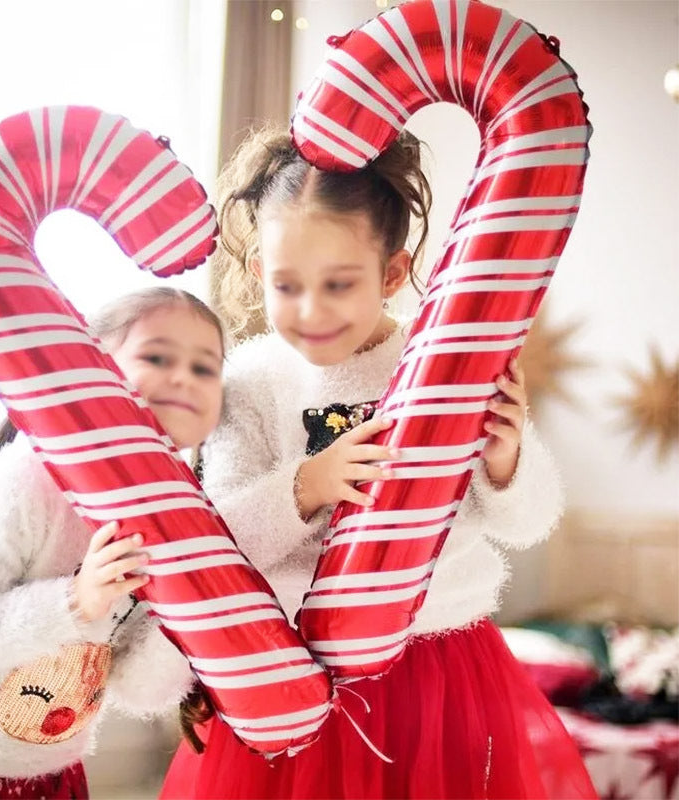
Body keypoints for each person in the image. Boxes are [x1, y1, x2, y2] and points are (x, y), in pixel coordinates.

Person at [160, 127, 597, 799]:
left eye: (339, 284)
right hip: (293, 677)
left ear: (392, 273)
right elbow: (220, 541)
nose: (311, 311)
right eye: (286, 285)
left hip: (439, 668)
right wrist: (309, 484)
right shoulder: (248, 382)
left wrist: (506, 460)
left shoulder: (445, 365)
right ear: (256, 273)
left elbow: (528, 523)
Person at [0, 287, 224, 799]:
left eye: (206, 368)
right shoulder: (23, 481)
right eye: (157, 356)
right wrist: (76, 600)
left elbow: (132, 680)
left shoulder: (177, 517)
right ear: (89, 368)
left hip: (46, 773)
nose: (184, 378)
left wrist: (190, 642)